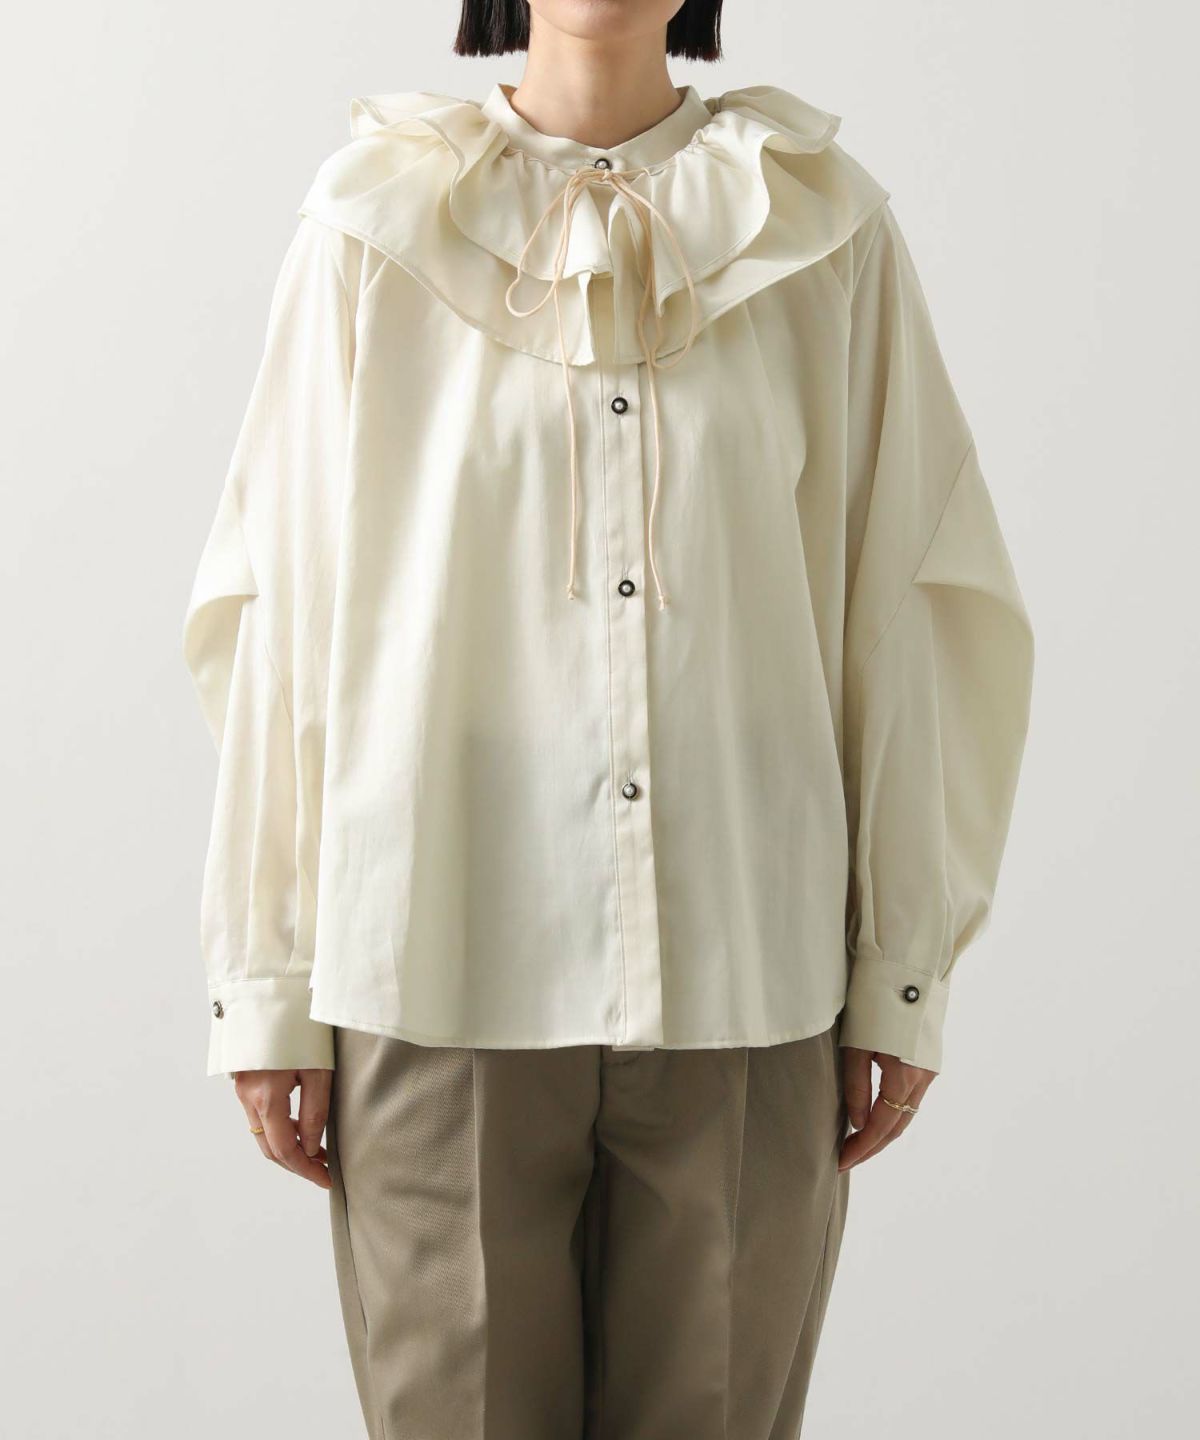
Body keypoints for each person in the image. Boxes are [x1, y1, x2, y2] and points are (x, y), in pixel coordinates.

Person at [181, 1, 1034, 1434]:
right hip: (437, 962)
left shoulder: (823, 227)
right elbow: (281, 606)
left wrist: (903, 959)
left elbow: (910, 594)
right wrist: (265, 977)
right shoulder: (368, 228)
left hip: (747, 973)